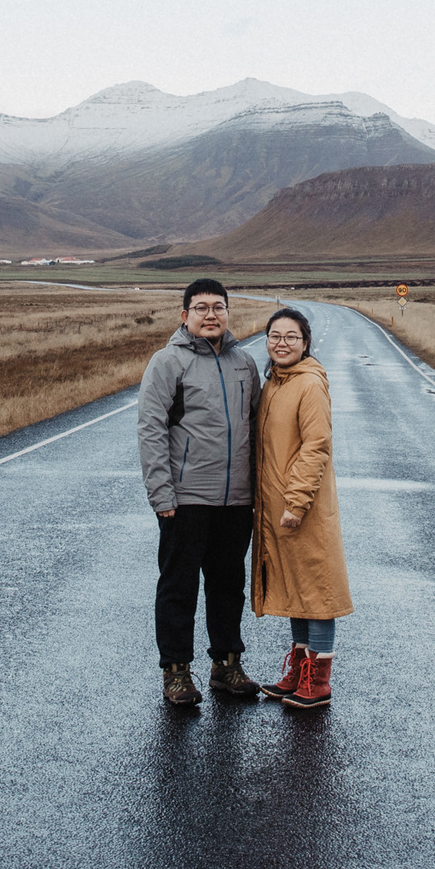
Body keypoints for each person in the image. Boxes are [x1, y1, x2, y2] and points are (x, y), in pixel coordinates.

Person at [137, 277, 262, 706]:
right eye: (202, 307)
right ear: (184, 315)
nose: (211, 315)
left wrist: (259, 491)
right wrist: (162, 495)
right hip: (186, 500)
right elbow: (151, 430)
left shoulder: (245, 363)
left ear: (229, 312)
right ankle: (177, 673)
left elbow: (257, 430)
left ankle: (226, 665)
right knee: (179, 587)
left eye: (219, 307)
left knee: (229, 585)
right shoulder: (167, 362)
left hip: (237, 500)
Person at [251, 306, 352, 710]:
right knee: (296, 586)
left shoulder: (308, 383)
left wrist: (296, 501)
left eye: (291, 336)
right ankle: (298, 668)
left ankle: (319, 680)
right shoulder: (275, 382)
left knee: (317, 588)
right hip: (277, 505)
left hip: (301, 505)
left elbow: (316, 446)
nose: (282, 343)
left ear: (305, 342)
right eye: (275, 336)